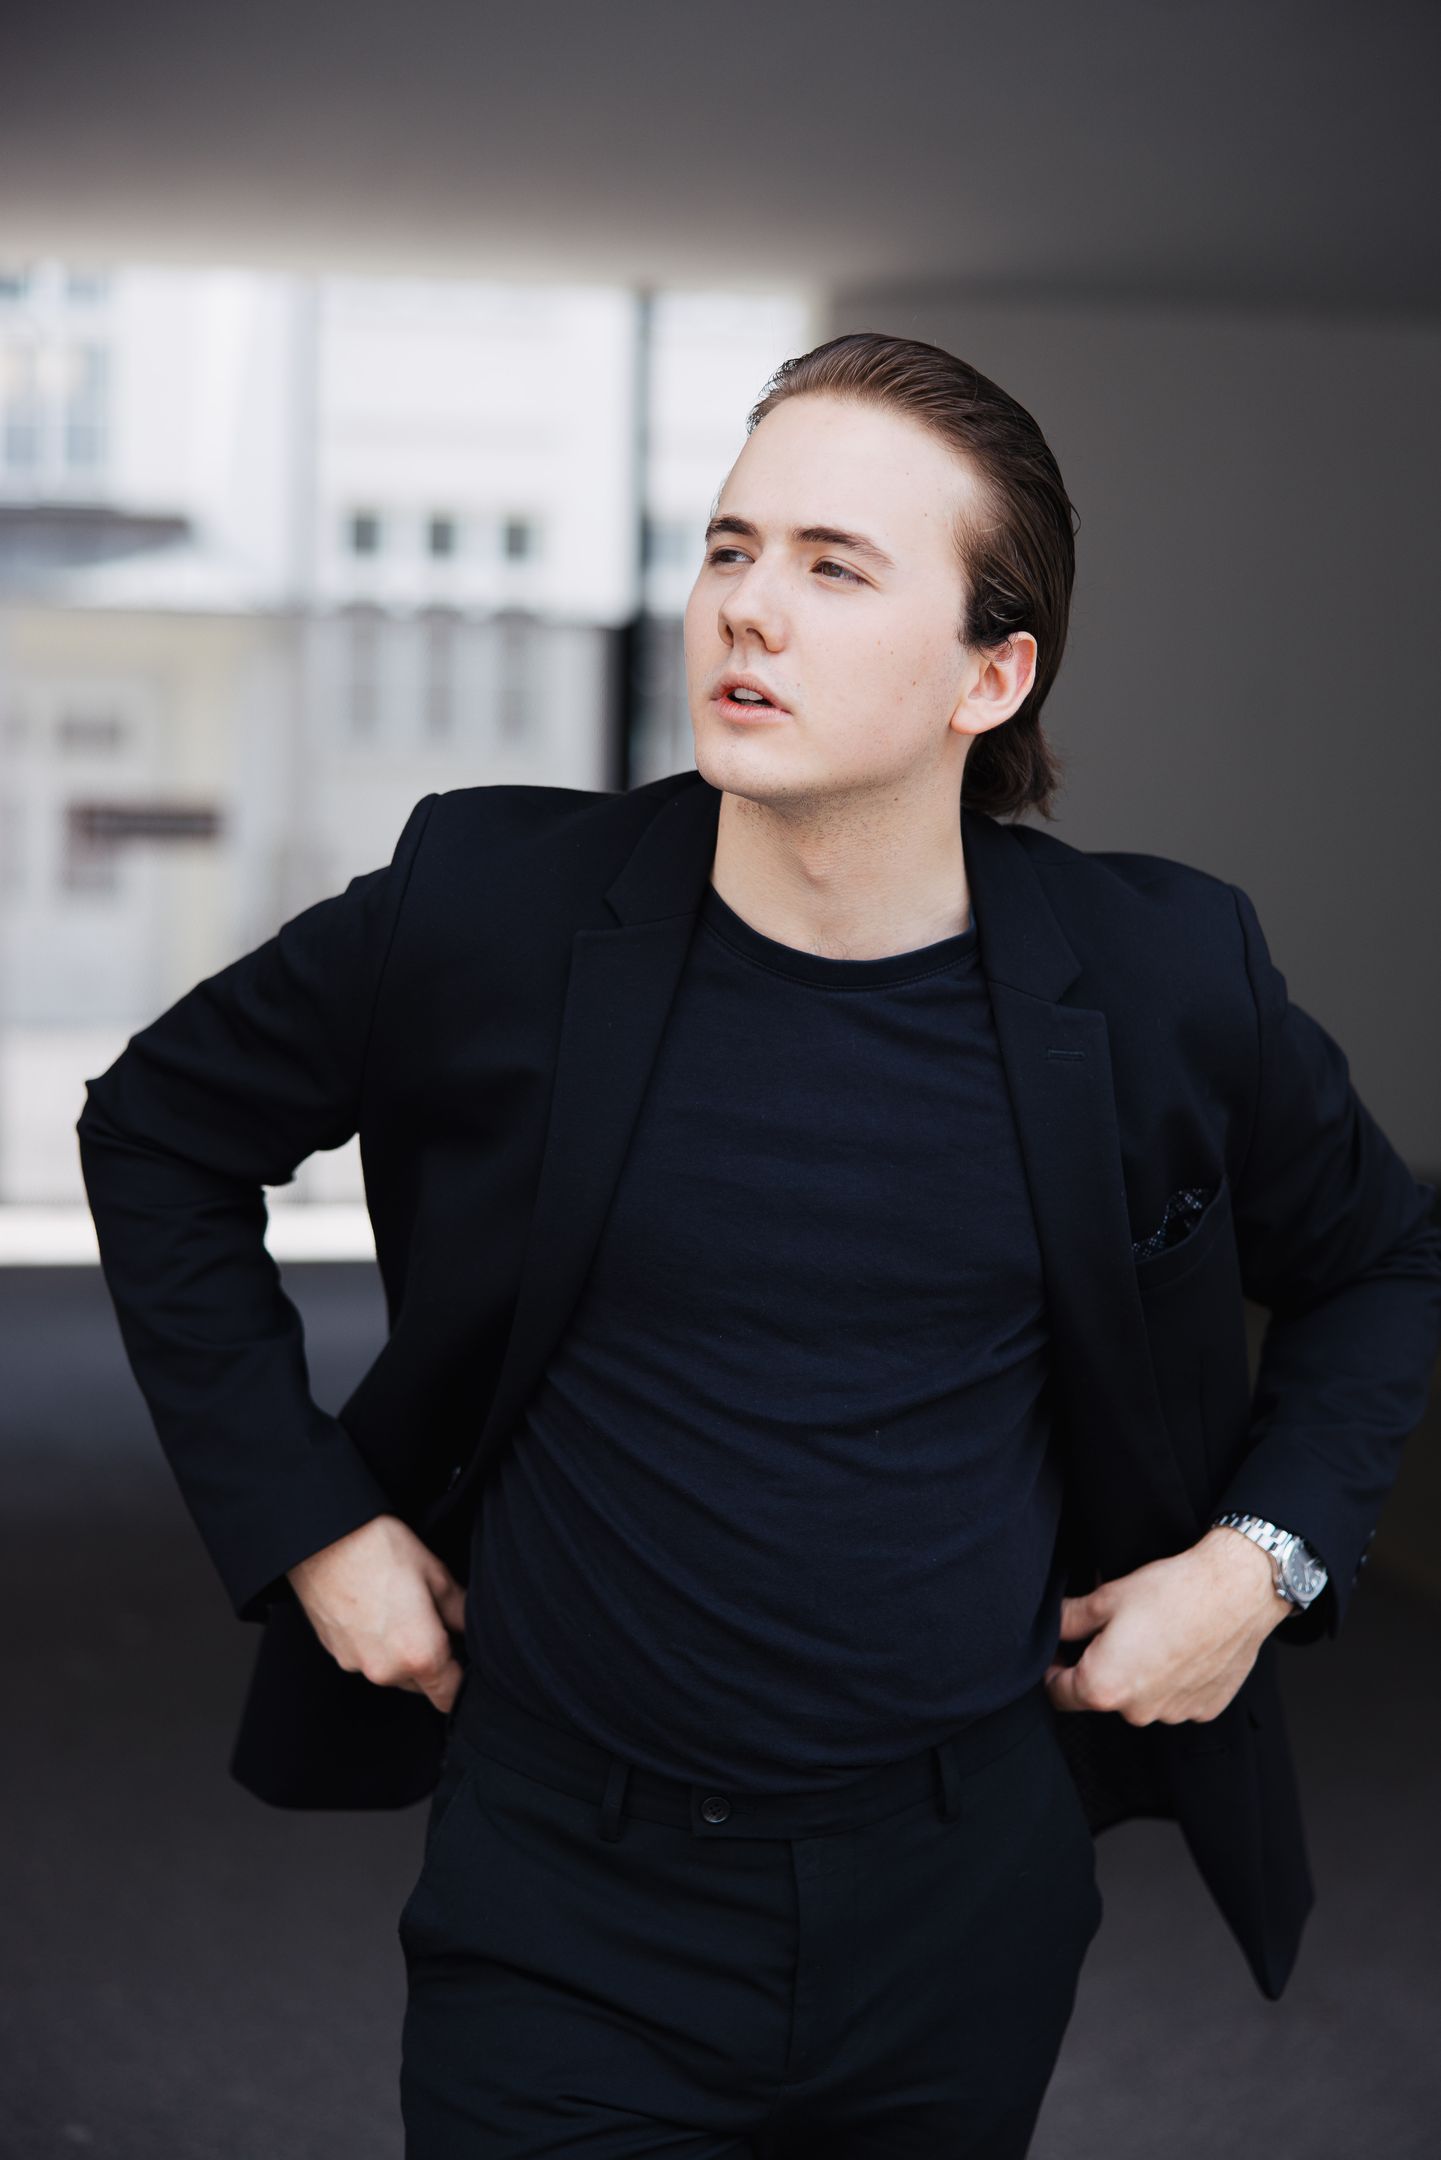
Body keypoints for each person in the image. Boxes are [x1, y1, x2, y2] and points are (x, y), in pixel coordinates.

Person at [77, 331, 1441, 2158]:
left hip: (961, 1892)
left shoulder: (1159, 976)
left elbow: (1379, 1261)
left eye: (832, 566)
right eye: (729, 546)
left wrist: (1256, 1568)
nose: (746, 606)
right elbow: (159, 1129)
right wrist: (311, 1525)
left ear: (990, 675)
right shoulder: (488, 908)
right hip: (563, 1890)